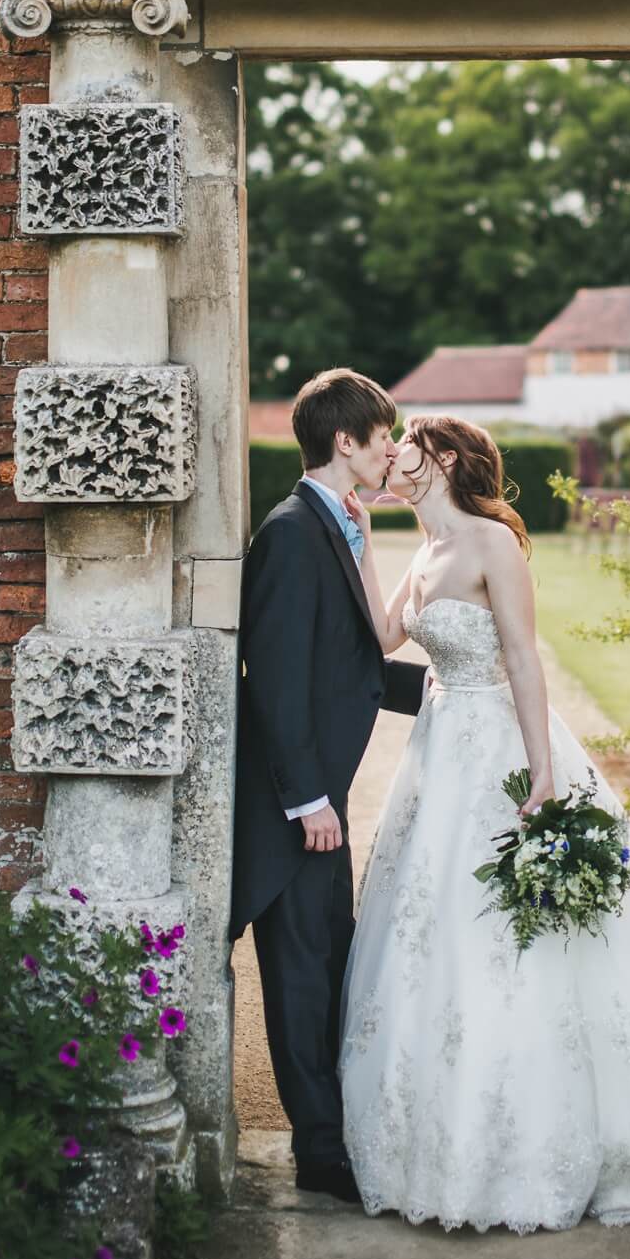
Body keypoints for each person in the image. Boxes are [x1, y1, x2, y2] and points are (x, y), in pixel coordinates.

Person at [340, 413, 630, 1232]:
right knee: (436, 930)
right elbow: (385, 635)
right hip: (436, 756)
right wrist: (362, 540)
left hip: (497, 746)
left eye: (406, 443)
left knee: (515, 929)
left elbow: (524, 659)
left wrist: (543, 777)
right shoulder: (423, 553)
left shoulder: (494, 545)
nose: (393, 454)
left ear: (443, 458)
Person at [229, 368, 426, 1204]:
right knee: (303, 971)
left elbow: (347, 665)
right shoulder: (288, 533)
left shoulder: (337, 524)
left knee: (329, 959)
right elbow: (274, 678)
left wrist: (445, 695)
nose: (393, 453)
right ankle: (319, 1153)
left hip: (322, 802)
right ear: (346, 442)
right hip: (294, 810)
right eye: (384, 439)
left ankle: (331, 1132)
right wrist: (307, 799)